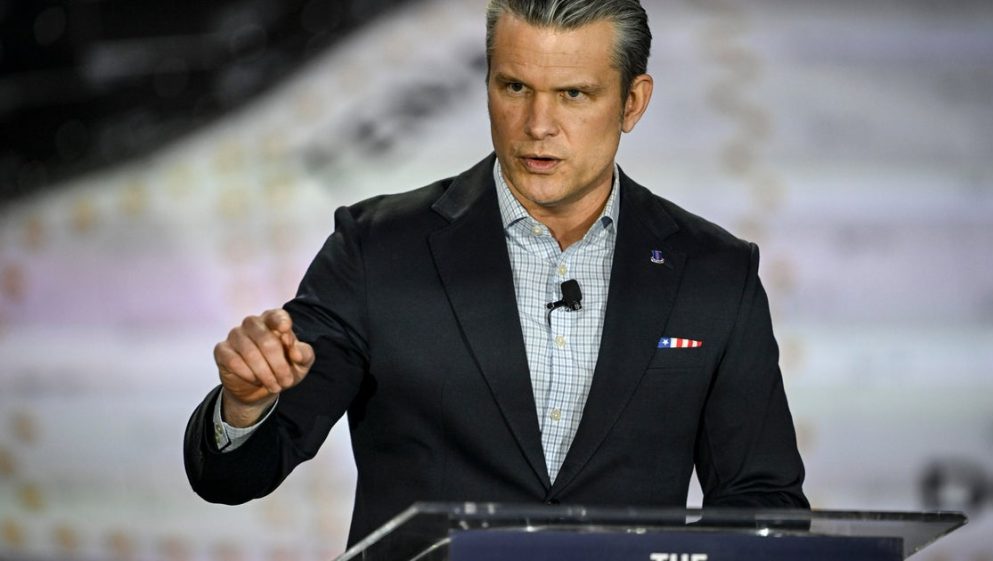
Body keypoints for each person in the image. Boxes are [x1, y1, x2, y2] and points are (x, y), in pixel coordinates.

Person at [184, 0, 808, 548]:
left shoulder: (713, 273)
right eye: (514, 87)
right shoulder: (376, 250)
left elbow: (762, 500)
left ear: (632, 102)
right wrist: (244, 406)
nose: (538, 125)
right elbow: (236, 475)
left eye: (573, 94)